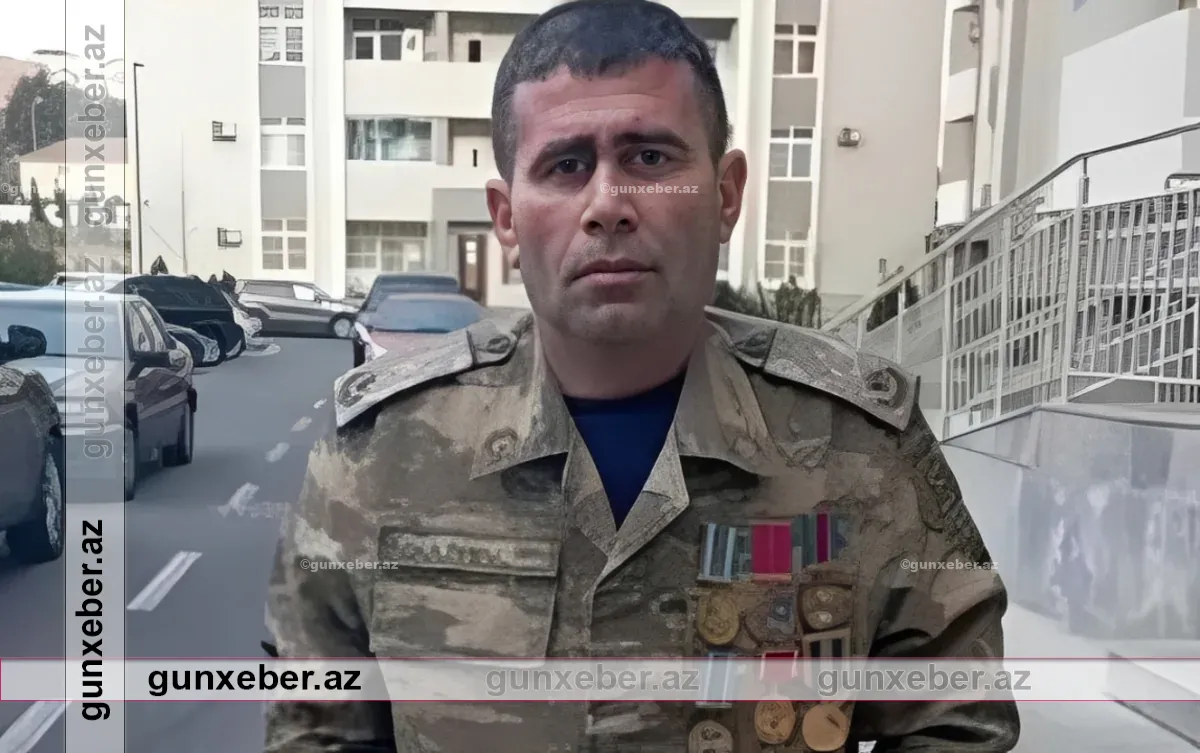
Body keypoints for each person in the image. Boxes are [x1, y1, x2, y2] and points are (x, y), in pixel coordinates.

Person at [263, 1, 1021, 751]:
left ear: (726, 194)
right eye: (566, 166)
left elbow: (957, 722)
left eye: (650, 159)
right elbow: (314, 727)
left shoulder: (859, 446)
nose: (607, 205)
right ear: (506, 217)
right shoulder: (381, 452)